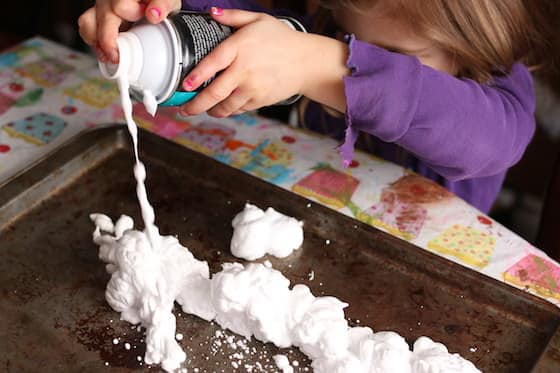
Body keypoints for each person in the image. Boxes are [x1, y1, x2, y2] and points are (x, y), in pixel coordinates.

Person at [78, 0, 544, 213]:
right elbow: (228, 16)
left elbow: (485, 141)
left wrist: (320, 64)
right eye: (349, 40)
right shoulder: (322, 27)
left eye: (391, 56)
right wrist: (164, 9)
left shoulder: (497, 92)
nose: (355, 51)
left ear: (474, 43)